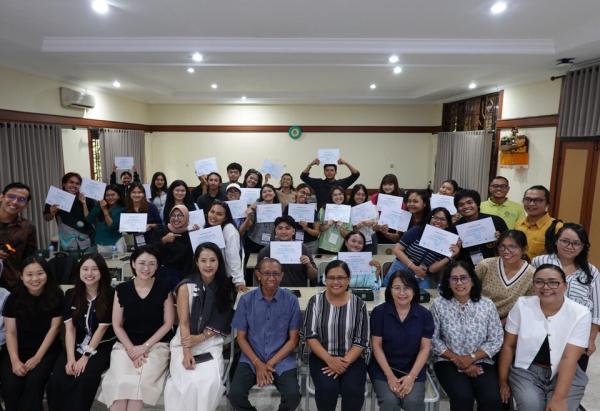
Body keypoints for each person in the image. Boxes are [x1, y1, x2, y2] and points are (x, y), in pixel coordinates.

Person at [498, 264, 591, 411]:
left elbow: (569, 359)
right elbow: (509, 346)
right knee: (532, 407)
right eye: (539, 281)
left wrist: (559, 399)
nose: (546, 287)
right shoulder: (522, 305)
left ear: (565, 286)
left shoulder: (581, 313)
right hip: (527, 371)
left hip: (565, 371)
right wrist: (503, 381)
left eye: (553, 282)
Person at [98, 246, 175, 410]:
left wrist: (144, 348)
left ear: (157, 266)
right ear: (133, 263)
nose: (146, 268)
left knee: (138, 387)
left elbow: (168, 323)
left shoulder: (164, 288)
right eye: (142, 263)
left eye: (151, 264)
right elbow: (117, 325)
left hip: (156, 346)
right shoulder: (122, 289)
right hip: (125, 346)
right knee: (120, 385)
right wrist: (132, 349)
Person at [164, 243, 235, 411]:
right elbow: (183, 322)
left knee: (208, 383)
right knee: (183, 384)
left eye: (212, 260)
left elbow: (224, 319)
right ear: (196, 262)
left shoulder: (226, 287)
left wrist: (202, 337)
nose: (208, 265)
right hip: (184, 340)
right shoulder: (185, 286)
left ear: (219, 261)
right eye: (203, 260)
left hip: (211, 342)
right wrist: (187, 351)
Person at [228, 257, 302, 411]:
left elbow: (293, 340)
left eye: (275, 274)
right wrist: (258, 363)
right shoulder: (246, 300)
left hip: (281, 359)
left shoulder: (292, 300)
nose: (271, 278)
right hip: (251, 358)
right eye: (267, 273)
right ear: (258, 275)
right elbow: (240, 338)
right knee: (235, 395)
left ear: (281, 276)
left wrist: (268, 364)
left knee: (293, 396)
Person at [431, 261, 503, 411]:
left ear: (472, 280)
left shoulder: (487, 305)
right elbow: (433, 339)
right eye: (454, 279)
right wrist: (458, 360)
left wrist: (470, 359)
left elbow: (496, 339)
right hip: (447, 361)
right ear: (448, 282)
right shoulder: (438, 305)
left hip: (481, 361)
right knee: (463, 397)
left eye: (463, 278)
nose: (459, 283)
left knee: (491, 399)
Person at [46, 254, 116, 411]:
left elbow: (102, 328)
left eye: (94, 269)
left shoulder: (111, 295)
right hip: (76, 343)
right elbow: (70, 329)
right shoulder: (71, 294)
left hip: (101, 347)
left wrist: (85, 358)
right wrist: (70, 358)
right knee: (58, 378)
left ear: (102, 272)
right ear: (79, 271)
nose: (89, 273)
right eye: (85, 269)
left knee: (83, 378)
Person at [302, 260, 369, 411]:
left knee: (353, 392)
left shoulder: (359, 304)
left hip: (352, 358)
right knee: (327, 390)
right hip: (322, 357)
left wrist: (342, 362)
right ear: (325, 280)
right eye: (331, 278)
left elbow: (361, 340)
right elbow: (310, 336)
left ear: (348, 279)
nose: (336, 282)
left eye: (341, 277)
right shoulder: (315, 301)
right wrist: (330, 360)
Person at [532, 223, 600, 367]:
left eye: (576, 243)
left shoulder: (591, 271)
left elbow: (597, 311)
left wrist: (591, 340)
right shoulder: (539, 262)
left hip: (576, 334)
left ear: (583, 246)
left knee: (570, 381)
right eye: (565, 241)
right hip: (541, 330)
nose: (570, 247)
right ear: (556, 241)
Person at [1, 256, 63, 411]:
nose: (35, 279)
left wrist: (37, 358)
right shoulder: (13, 298)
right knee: (11, 385)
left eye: (40, 273)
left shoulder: (56, 295)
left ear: (47, 274)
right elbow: (10, 332)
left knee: (34, 382)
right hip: (17, 349)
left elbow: (54, 328)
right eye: (29, 274)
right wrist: (15, 360)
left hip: (46, 350)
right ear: (21, 276)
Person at [370, 271, 434, 411]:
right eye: (397, 288)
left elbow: (425, 348)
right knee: (389, 403)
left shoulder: (424, 315)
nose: (402, 293)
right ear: (390, 290)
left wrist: (411, 377)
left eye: (407, 288)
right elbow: (376, 345)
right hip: (384, 370)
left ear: (414, 290)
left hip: (413, 369)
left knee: (413, 403)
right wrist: (390, 376)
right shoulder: (379, 312)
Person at [384, 207, 460, 288]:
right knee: (391, 291)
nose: (438, 221)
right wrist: (413, 267)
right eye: (435, 218)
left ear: (448, 223)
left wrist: (450, 256)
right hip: (402, 266)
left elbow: (432, 269)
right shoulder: (417, 230)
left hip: (422, 274)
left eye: (442, 219)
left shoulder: (448, 241)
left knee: (424, 295)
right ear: (430, 219)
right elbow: (397, 250)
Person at [475, 230, 535, 322]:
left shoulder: (532, 274)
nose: (506, 251)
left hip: (509, 322)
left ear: (524, 249)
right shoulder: (486, 265)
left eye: (512, 247)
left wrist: (501, 324)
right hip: (477, 316)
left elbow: (528, 306)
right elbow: (470, 290)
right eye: (502, 246)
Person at [256, 215, 317, 287]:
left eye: (287, 228)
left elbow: (313, 276)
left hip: (297, 290)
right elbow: (257, 278)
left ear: (293, 231)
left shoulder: (302, 249)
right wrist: (263, 267)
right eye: (280, 228)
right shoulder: (266, 251)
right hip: (272, 291)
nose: (283, 231)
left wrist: (309, 265)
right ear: (275, 231)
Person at [454, 189, 508, 268]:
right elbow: (454, 256)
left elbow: (509, 245)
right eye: (461, 205)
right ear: (458, 208)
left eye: (469, 202)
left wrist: (500, 241)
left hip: (495, 266)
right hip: (467, 269)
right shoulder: (455, 227)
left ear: (477, 204)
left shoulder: (496, 221)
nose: (466, 206)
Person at [44, 172, 96, 254]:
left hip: (88, 238)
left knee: (89, 263)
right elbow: (47, 218)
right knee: (71, 264)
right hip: (67, 240)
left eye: (77, 183)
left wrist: (84, 203)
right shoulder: (56, 197)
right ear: (64, 184)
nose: (74, 185)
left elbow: (93, 218)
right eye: (71, 182)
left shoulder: (87, 198)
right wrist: (52, 213)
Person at [240, 184, 281, 281]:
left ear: (274, 193)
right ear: (261, 195)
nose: (267, 193)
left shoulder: (279, 207)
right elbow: (249, 225)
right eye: (264, 192)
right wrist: (249, 214)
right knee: (251, 269)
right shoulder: (255, 206)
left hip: (271, 243)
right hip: (254, 242)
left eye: (270, 191)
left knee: (268, 269)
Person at [0, 182, 36, 290]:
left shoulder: (27, 227)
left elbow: (29, 258)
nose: (15, 202)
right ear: (1, 197)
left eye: (21, 199)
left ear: (25, 204)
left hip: (12, 285)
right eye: (11, 196)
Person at [154, 205, 198, 290]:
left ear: (186, 217)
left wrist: (197, 234)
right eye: (173, 215)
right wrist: (163, 241)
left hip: (186, 274)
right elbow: (151, 250)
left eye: (180, 215)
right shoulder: (162, 230)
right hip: (165, 273)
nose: (176, 218)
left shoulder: (191, 232)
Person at [205, 200, 246, 291]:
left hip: (224, 279)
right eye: (212, 212)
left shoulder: (229, 230)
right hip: (209, 276)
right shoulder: (207, 227)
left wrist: (238, 281)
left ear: (225, 218)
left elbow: (233, 256)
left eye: (219, 214)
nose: (214, 216)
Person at [515, 185, 563, 260]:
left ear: (547, 204)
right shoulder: (519, 223)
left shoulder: (557, 227)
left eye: (538, 200)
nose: (531, 204)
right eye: (527, 199)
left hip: (540, 270)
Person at [85, 184, 125, 254]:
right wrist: (83, 203)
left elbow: (111, 225)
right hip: (101, 243)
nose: (110, 197)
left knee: (117, 264)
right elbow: (89, 219)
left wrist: (104, 209)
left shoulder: (122, 209)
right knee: (104, 264)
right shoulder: (99, 205)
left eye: (113, 195)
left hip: (116, 243)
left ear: (118, 196)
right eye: (107, 195)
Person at [285, 183, 321, 255]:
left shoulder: (312, 210)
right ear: (296, 192)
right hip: (292, 243)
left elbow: (317, 233)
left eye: (308, 194)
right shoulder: (288, 208)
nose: (305, 196)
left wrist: (306, 228)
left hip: (310, 244)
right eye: (302, 192)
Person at [124, 182, 162, 248]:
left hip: (152, 242)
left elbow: (160, 225)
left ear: (144, 194)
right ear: (129, 194)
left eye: (139, 192)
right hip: (138, 243)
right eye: (134, 192)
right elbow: (129, 232)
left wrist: (150, 225)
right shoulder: (127, 209)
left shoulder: (151, 207)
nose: (137, 195)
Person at [318, 186, 353, 254]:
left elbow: (348, 235)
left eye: (340, 194)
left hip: (340, 248)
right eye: (335, 195)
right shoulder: (324, 209)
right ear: (331, 197)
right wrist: (328, 224)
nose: (338, 197)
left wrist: (340, 228)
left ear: (344, 195)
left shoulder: (348, 211)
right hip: (324, 246)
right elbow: (319, 229)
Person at [371, 174, 402, 245]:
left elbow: (401, 222)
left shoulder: (400, 201)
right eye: (384, 184)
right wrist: (376, 226)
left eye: (390, 184)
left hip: (391, 231)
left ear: (395, 185)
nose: (387, 187)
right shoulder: (375, 197)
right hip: (376, 229)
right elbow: (371, 215)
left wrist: (391, 234)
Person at [349, 184, 377, 253]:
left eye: (363, 195)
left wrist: (372, 223)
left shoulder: (372, 207)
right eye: (358, 194)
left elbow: (377, 228)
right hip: (353, 241)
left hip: (370, 239)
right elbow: (346, 229)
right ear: (353, 195)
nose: (360, 197)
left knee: (370, 261)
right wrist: (356, 228)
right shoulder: (348, 209)